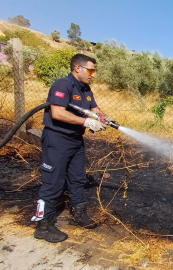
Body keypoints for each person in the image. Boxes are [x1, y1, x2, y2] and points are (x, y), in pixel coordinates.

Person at [31, 54, 113, 243]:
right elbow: (58, 113)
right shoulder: (62, 85)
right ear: (78, 68)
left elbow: (95, 109)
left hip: (76, 140)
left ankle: (79, 215)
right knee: (53, 182)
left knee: (77, 179)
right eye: (90, 70)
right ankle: (43, 226)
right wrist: (86, 122)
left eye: (94, 71)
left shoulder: (85, 89)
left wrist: (103, 117)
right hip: (57, 140)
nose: (93, 74)